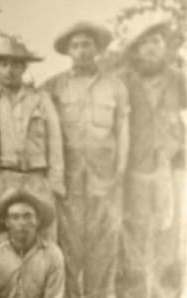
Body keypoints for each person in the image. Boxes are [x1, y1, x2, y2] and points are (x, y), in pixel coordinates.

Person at [42, 21, 129, 298]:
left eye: (86, 44)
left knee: (103, 254)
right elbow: (44, 133)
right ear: (68, 50)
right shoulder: (53, 87)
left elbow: (123, 130)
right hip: (69, 185)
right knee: (68, 252)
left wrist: (120, 172)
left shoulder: (115, 86)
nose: (81, 51)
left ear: (97, 48)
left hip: (105, 184)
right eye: (75, 46)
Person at [115, 17, 185, 298]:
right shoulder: (122, 81)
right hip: (135, 171)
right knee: (134, 233)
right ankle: (135, 293)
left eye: (157, 41)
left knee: (170, 233)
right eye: (144, 44)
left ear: (165, 45)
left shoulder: (178, 78)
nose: (152, 49)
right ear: (135, 50)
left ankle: (167, 294)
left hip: (171, 171)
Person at [0, 37, 64, 239]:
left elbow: (55, 140)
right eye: (3, 64)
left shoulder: (41, 99)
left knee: (43, 239)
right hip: (0, 177)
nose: (9, 70)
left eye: (16, 64)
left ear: (24, 68)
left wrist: (55, 182)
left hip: (36, 177)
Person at [0, 188, 65, 298]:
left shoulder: (52, 254)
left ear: (38, 220)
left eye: (28, 216)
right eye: (15, 217)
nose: (22, 223)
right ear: (6, 222)